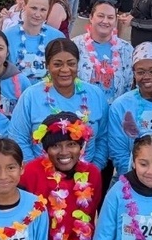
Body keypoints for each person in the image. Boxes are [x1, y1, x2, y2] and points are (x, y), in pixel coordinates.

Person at [8, 39, 109, 168]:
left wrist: (94, 169)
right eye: (57, 64)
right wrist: (35, 173)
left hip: (86, 179)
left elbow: (103, 137)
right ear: (47, 65)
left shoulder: (95, 94)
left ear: (78, 64)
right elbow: (18, 137)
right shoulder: (31, 96)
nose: (65, 69)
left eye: (71, 63)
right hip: (42, 178)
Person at [109, 42, 152, 173]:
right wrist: (138, 178)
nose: (147, 77)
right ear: (133, 73)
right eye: (141, 72)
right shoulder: (121, 106)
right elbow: (118, 152)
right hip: (130, 178)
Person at [74, 0, 133, 105]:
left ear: (115, 20)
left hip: (114, 112)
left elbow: (129, 85)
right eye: (100, 16)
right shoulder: (75, 46)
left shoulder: (126, 49)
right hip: (84, 111)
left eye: (110, 17)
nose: (105, 21)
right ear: (91, 17)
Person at [4, 0, 66, 85]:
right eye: (34, 8)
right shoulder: (7, 36)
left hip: (48, 95)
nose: (38, 14)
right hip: (16, 95)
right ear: (24, 6)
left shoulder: (57, 37)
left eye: (43, 10)